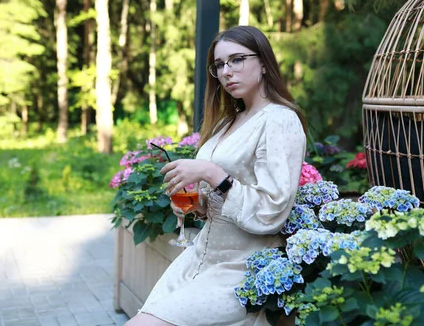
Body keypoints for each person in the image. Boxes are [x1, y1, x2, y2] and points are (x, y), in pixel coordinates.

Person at [125, 26, 307, 326]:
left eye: (237, 59)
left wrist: (212, 173)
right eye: (220, 64)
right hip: (200, 258)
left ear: (264, 63)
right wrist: (199, 205)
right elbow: (225, 200)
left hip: (241, 269)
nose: (226, 71)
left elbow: (271, 211)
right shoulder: (228, 122)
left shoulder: (279, 120)